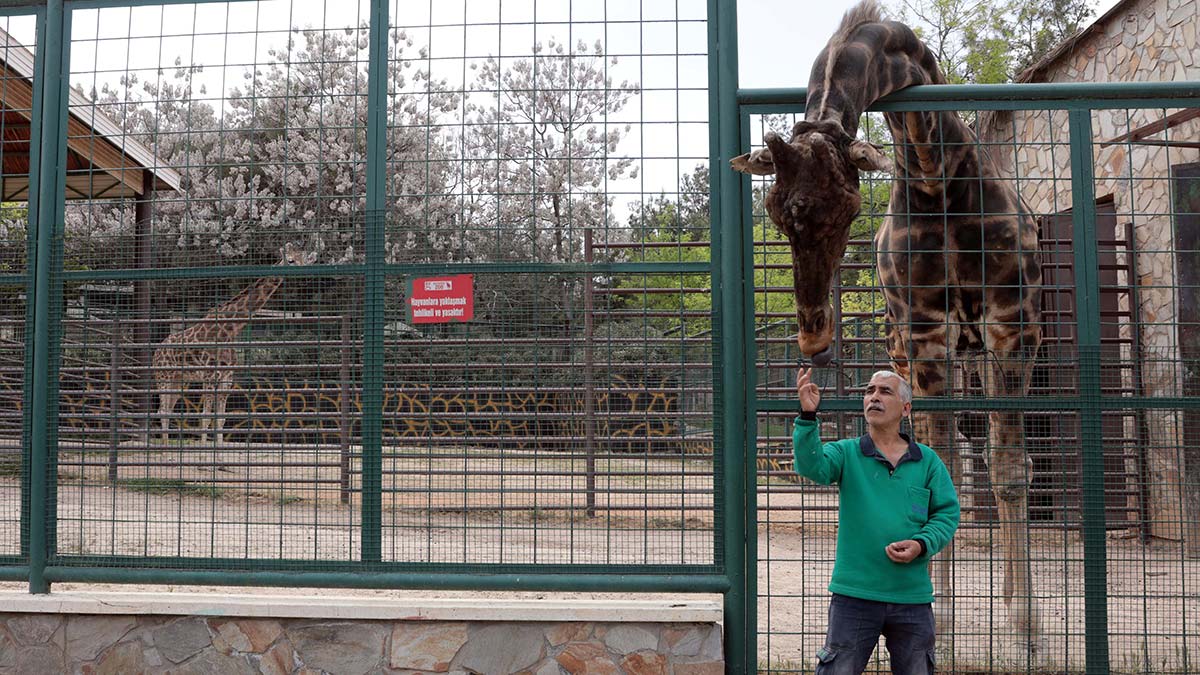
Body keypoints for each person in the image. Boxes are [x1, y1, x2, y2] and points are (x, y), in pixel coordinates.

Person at [793, 367, 960, 675]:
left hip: (911, 596)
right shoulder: (846, 453)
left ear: (906, 408)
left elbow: (947, 514)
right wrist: (807, 417)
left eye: (885, 391)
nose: (874, 397)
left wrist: (921, 543)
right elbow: (810, 466)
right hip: (854, 595)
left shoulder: (928, 462)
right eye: (869, 391)